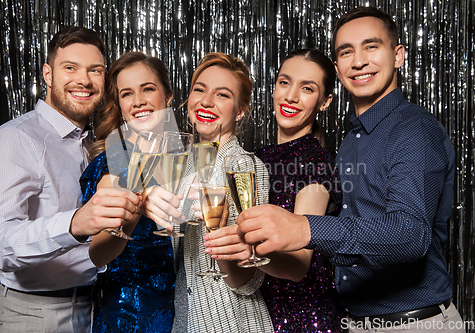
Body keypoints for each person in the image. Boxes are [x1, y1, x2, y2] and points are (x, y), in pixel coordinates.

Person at [233, 7, 465, 332]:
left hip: (413, 322)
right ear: (339, 67)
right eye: (346, 51)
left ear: (398, 55)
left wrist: (305, 229)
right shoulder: (351, 140)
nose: (358, 61)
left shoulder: (414, 130)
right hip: (352, 322)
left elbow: (410, 234)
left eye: (371, 47)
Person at [0, 26, 141, 332]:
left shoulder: (96, 143)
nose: (83, 80)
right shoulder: (15, 139)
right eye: (70, 68)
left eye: (95, 70)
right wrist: (76, 223)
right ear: (48, 74)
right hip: (34, 315)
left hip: (95, 309)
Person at [205, 48, 346, 332]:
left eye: (307, 88)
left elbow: (299, 265)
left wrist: (251, 250)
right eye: (284, 82)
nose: (291, 96)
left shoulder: (314, 162)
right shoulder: (254, 159)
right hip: (257, 314)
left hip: (300, 318)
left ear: (325, 102)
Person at [143, 52, 274, 333]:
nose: (206, 101)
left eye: (222, 95)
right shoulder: (179, 163)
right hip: (183, 317)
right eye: (199, 90)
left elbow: (250, 281)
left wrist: (219, 233)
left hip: (229, 321)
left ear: (240, 110)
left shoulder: (245, 166)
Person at [80, 51, 176, 333]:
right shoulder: (113, 163)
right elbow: (98, 254)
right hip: (129, 318)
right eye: (126, 94)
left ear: (168, 97)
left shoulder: (186, 158)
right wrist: (135, 209)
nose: (138, 101)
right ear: (119, 105)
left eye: (148, 89)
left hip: (185, 314)